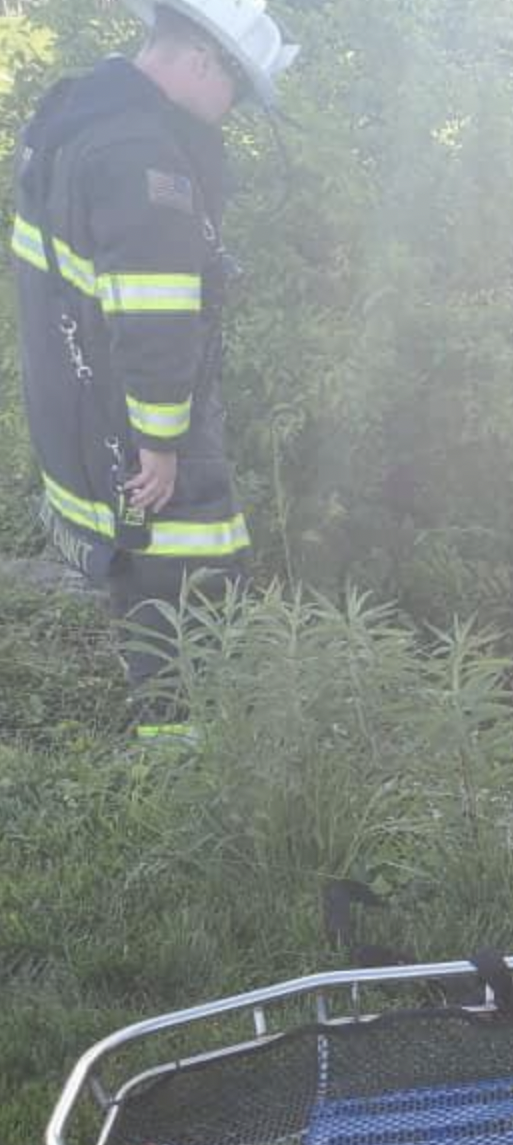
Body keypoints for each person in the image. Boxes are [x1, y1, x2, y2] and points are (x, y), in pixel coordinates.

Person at [10, 0, 297, 739]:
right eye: (237, 89)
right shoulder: (147, 160)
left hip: (79, 411)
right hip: (137, 422)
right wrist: (161, 442)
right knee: (190, 582)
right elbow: (156, 318)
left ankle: (173, 738)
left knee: (139, 577)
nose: (231, 111)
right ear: (203, 60)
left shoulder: (76, 115)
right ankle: (185, 763)